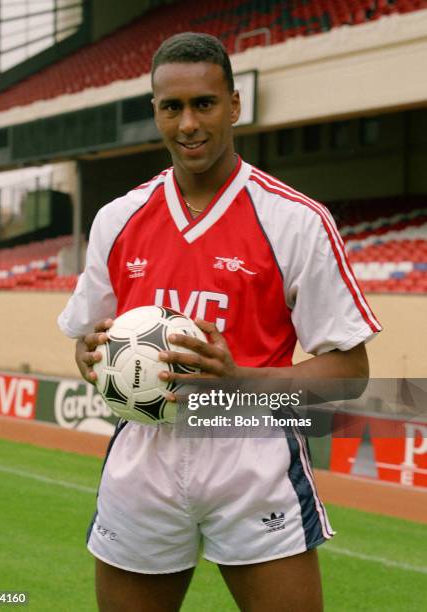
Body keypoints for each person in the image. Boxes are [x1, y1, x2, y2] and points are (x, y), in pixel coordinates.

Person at [58, 32, 381, 611]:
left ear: (233, 105)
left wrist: (239, 380)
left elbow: (350, 371)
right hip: (144, 450)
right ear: (154, 111)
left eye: (203, 104)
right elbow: (88, 341)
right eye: (171, 107)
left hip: (250, 452)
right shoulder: (117, 219)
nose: (187, 124)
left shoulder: (296, 221)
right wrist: (88, 358)